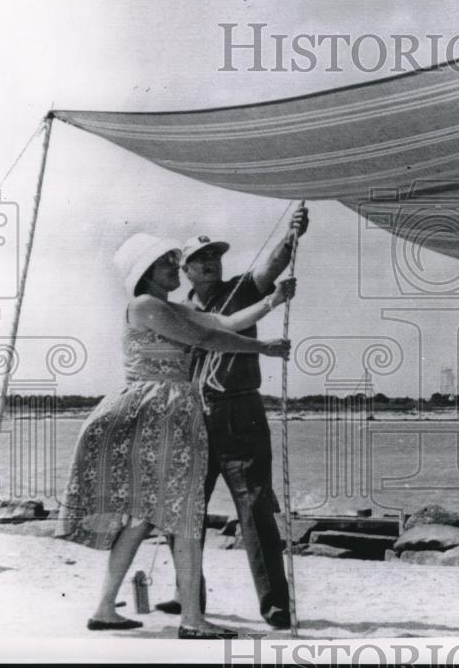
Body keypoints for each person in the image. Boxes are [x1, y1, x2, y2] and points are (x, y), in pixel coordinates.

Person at [55, 232, 291, 640]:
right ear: (147, 272)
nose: (174, 267)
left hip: (168, 413)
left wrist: (273, 300)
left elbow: (225, 321)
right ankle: (192, 619)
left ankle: (106, 608)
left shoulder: (165, 307)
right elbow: (207, 338)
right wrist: (264, 349)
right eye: (167, 262)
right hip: (158, 413)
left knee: (147, 514)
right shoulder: (146, 305)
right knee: (179, 514)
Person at [154, 208, 308, 630]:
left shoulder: (240, 289)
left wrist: (292, 235)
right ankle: (189, 596)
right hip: (192, 416)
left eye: (216, 255)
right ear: (185, 269)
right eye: (202, 258)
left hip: (241, 410)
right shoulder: (175, 310)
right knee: (181, 508)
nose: (213, 262)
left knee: (255, 507)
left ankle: (276, 607)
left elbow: (271, 266)